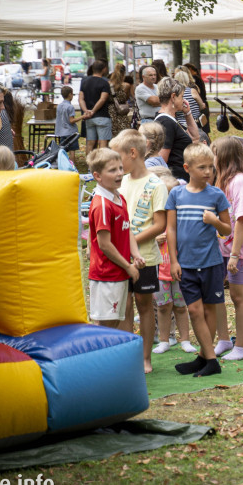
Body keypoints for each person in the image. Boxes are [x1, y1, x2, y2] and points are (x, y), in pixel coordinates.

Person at [166, 142, 231, 378]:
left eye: (211, 167)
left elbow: (227, 229)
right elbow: (171, 229)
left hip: (211, 262)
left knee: (209, 311)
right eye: (202, 167)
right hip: (186, 264)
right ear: (187, 168)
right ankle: (209, 359)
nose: (207, 172)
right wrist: (173, 260)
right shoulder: (176, 194)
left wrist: (214, 221)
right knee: (194, 310)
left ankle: (206, 358)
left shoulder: (216, 195)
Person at [110, 129, 168, 374]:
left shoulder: (156, 184)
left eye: (117, 157)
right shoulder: (119, 182)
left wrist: (131, 239)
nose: (114, 164)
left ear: (132, 153)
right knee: (124, 307)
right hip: (120, 258)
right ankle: (127, 357)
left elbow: (160, 224)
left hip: (146, 258)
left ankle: (145, 358)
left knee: (144, 306)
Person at [86, 148, 143, 330]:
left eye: (120, 168)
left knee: (116, 322)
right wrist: (128, 267)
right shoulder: (102, 204)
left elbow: (127, 230)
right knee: (106, 326)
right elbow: (104, 244)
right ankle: (96, 359)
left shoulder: (119, 198)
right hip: (106, 275)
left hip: (119, 273)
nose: (119, 174)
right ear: (97, 176)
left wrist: (136, 255)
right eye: (112, 170)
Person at [211, 137, 243, 361]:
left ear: (225, 156)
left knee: (238, 296)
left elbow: (241, 219)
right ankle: (223, 340)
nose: (213, 158)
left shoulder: (240, 181)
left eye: (215, 153)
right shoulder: (222, 181)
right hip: (219, 248)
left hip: (237, 250)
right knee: (217, 294)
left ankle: (241, 346)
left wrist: (235, 254)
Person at [148, 167, 197, 356]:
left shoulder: (181, 217)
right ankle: (164, 339)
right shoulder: (154, 219)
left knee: (180, 306)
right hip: (160, 270)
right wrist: (154, 239)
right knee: (163, 306)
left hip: (179, 269)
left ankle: (185, 339)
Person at [155, 78, 198, 181]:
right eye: (182, 96)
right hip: (177, 181)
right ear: (173, 97)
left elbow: (195, 137)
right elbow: (162, 160)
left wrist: (187, 113)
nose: (183, 100)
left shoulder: (172, 119)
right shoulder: (165, 122)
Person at [78, 60, 113, 153]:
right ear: (104, 69)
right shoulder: (105, 82)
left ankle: (90, 165)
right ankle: (101, 165)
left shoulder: (84, 82)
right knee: (103, 142)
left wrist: (86, 111)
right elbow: (103, 99)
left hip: (89, 117)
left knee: (90, 143)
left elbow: (81, 98)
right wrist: (93, 110)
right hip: (102, 116)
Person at [174, 68, 207, 140]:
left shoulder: (174, 93)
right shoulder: (192, 91)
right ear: (187, 79)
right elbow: (202, 106)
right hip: (194, 124)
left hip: (180, 126)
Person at [109, 64, 133, 137]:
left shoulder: (109, 84)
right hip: (122, 111)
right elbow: (127, 98)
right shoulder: (126, 86)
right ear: (124, 73)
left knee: (112, 134)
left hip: (110, 111)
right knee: (123, 135)